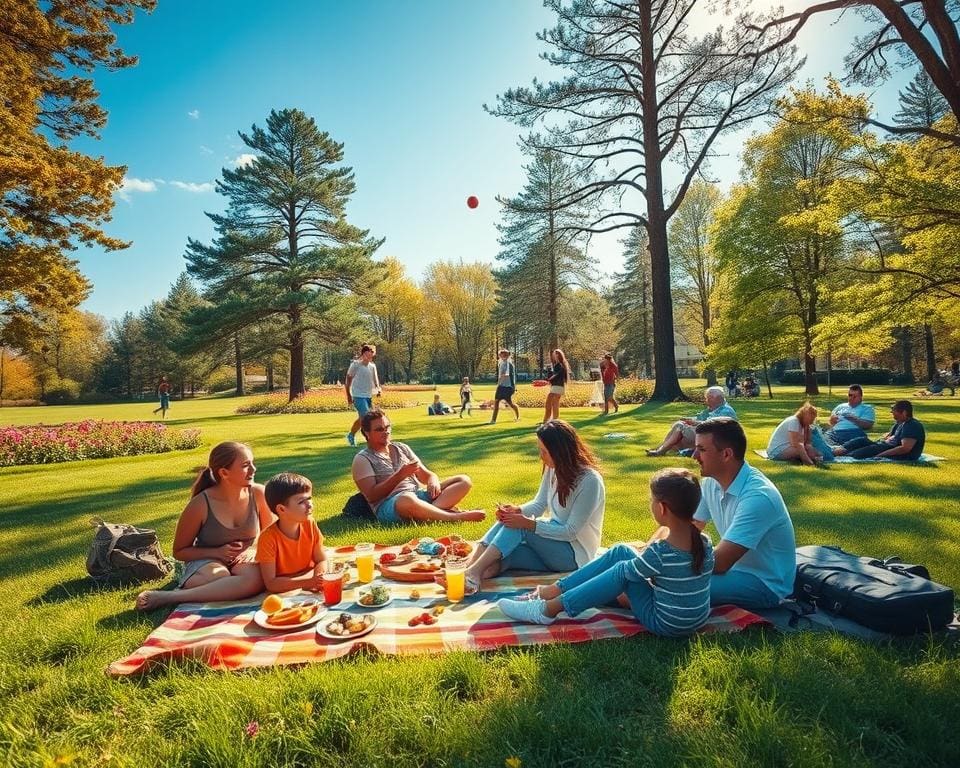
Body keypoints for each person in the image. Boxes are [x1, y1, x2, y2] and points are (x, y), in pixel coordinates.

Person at [497, 468, 714, 635]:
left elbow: (626, 577)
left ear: (662, 508)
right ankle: (552, 591)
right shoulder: (705, 542)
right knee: (621, 551)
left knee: (621, 571)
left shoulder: (660, 552)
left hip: (666, 624)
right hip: (696, 620)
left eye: (652, 500)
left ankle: (548, 609)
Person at [449, 420, 605, 595]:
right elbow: (539, 504)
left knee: (518, 526)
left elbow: (570, 532)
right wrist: (517, 511)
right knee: (505, 552)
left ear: (560, 452)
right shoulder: (553, 468)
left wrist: (527, 524)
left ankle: (472, 572)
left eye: (544, 452)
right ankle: (465, 577)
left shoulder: (590, 481)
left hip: (575, 555)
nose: (541, 457)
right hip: (553, 546)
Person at [135, 442, 275, 610]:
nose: (253, 469)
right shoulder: (200, 504)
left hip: (244, 558)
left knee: (257, 579)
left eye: (252, 463)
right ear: (224, 473)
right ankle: (168, 597)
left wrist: (252, 550)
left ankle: (202, 590)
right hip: (206, 559)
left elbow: (271, 535)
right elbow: (179, 551)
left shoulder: (258, 494)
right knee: (220, 578)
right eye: (246, 465)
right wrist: (217, 552)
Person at [684, 418, 796, 610]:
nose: (694, 456)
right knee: (633, 560)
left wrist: (668, 566)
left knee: (676, 588)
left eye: (701, 449)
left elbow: (720, 563)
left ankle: (629, 595)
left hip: (764, 584)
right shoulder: (711, 482)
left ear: (726, 454)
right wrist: (657, 552)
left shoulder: (758, 497)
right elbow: (690, 527)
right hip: (733, 569)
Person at [351, 409, 485, 524]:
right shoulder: (362, 459)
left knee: (463, 480)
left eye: (388, 427)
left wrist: (433, 481)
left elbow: (426, 475)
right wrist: (400, 475)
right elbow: (372, 496)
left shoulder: (401, 448)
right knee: (406, 499)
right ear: (367, 433)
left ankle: (430, 514)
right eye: (379, 429)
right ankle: (454, 517)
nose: (386, 432)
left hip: (418, 495)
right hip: (392, 505)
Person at [256, 472, 327, 593]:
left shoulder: (309, 524)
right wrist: (309, 582)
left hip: (308, 575)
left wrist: (319, 577)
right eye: (301, 502)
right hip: (285, 588)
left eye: (309, 498)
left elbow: (321, 560)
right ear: (281, 509)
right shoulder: (268, 538)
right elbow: (271, 583)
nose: (309, 505)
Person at [646, 386, 737, 457]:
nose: (706, 401)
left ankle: (660, 451)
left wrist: (695, 423)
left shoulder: (726, 411)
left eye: (708, 398)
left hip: (715, 438)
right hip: (707, 434)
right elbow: (699, 417)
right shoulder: (713, 408)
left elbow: (713, 425)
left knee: (679, 427)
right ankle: (661, 449)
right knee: (679, 426)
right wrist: (688, 419)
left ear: (716, 398)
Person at [832, 400, 925, 460]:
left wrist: (881, 455)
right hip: (883, 445)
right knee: (861, 440)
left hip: (890, 450)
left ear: (904, 412)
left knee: (859, 453)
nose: (893, 415)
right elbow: (890, 437)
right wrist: (885, 438)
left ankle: (842, 456)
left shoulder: (912, 426)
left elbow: (905, 448)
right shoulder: (900, 423)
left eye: (894, 412)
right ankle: (834, 451)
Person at [345, 344, 381, 446]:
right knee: (365, 417)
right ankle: (370, 439)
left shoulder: (372, 366)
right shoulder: (355, 365)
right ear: (364, 354)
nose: (371, 356)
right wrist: (348, 395)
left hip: (368, 396)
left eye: (372, 354)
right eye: (369, 353)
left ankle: (351, 435)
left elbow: (375, 380)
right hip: (358, 395)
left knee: (364, 418)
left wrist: (378, 390)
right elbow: (348, 381)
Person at [489, 349, 520, 424]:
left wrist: (513, 387)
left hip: (507, 387)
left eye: (505, 355)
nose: (503, 356)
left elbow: (507, 375)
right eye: (501, 354)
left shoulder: (509, 364)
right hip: (501, 386)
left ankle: (517, 416)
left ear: (508, 355)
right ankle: (493, 420)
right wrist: (499, 382)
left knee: (510, 403)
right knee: (496, 402)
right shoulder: (501, 363)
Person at [543, 348, 571, 423]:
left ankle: (552, 421)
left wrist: (548, 380)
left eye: (554, 354)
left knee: (553, 404)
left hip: (558, 387)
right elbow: (555, 375)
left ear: (558, 355)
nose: (553, 356)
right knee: (552, 404)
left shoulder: (560, 365)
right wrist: (549, 379)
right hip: (557, 386)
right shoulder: (557, 365)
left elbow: (556, 375)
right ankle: (549, 421)